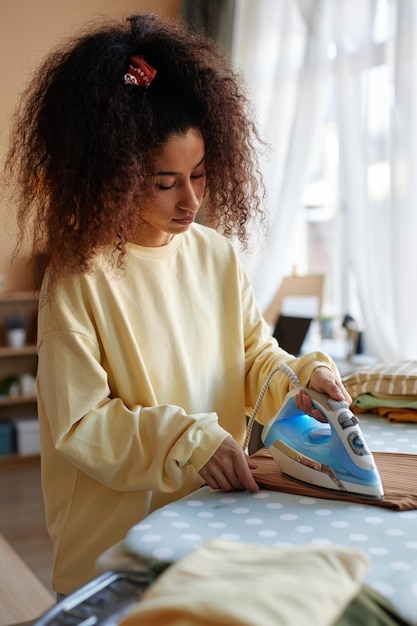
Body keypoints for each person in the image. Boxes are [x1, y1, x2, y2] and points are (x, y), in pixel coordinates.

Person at [4, 13, 351, 595]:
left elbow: (249, 357)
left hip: (210, 535)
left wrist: (299, 378)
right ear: (112, 175)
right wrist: (186, 439)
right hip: (114, 555)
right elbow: (81, 424)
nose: (191, 200)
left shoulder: (215, 255)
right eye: (166, 182)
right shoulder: (79, 276)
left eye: (201, 174)